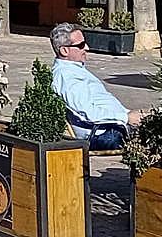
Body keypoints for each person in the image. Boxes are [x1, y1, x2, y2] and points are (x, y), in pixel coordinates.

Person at [50, 22, 144, 151]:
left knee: (160, 121)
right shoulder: (67, 76)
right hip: (102, 135)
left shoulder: (73, 70)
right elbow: (88, 112)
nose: (87, 48)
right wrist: (126, 117)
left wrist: (128, 114)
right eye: (81, 45)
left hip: (110, 127)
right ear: (64, 50)